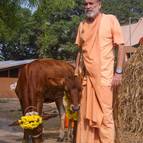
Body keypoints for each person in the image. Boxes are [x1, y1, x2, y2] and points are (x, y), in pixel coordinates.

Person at [74, 0, 125, 143]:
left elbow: (120, 46)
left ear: (99, 4)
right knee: (85, 117)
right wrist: (76, 72)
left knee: (105, 118)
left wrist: (118, 72)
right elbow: (80, 50)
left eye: (91, 3)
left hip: (104, 78)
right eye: (85, 4)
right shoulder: (82, 25)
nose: (88, 6)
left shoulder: (110, 19)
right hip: (87, 80)